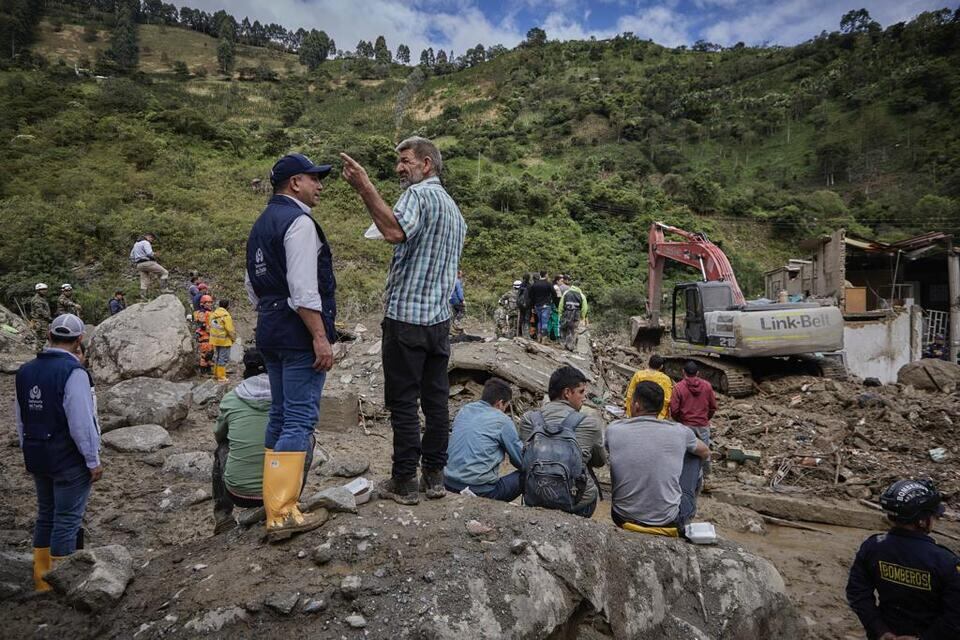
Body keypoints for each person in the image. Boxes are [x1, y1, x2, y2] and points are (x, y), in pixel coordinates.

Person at [340, 137, 466, 505]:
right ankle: (435, 477)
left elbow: (395, 232)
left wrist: (364, 186)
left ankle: (404, 481)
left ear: (426, 164)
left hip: (407, 318)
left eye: (405, 161)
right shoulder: (454, 211)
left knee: (405, 402)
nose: (399, 168)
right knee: (436, 401)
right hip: (439, 322)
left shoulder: (417, 196)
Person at [245, 152, 336, 540]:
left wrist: (274, 313)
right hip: (298, 334)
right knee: (298, 419)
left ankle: (271, 503)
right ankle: (282, 513)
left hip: (269, 329)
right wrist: (319, 336)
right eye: (313, 178)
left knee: (280, 416)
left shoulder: (260, 225)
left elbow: (252, 288)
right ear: (294, 183)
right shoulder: (299, 222)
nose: (319, 185)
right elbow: (303, 290)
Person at [15, 314, 102, 592]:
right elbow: (81, 422)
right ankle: (61, 583)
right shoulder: (74, 373)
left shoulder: (26, 370)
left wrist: (26, 449)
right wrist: (93, 460)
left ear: (49, 335)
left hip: (37, 452)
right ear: (79, 340)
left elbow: (21, 419)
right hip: (67, 458)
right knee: (66, 519)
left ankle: (42, 579)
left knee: (46, 514)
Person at [211, 349, 315, 535]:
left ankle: (223, 515)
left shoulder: (231, 399)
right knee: (305, 438)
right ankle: (291, 500)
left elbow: (218, 435)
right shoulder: (288, 399)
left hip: (238, 494)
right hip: (279, 492)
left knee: (222, 447)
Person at [846, 479, 960, 640]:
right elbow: (955, 616)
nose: (936, 520)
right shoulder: (946, 561)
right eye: (934, 515)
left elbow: (857, 593)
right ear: (922, 521)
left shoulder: (873, 547)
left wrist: (880, 630)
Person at [606, 381, 710, 534]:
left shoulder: (613, 429)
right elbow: (706, 451)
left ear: (636, 405)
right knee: (694, 454)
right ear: (662, 408)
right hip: (669, 521)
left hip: (622, 516)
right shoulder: (681, 431)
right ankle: (686, 513)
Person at [519, 365, 606, 517]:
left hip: (535, 497)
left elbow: (524, 456)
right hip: (576, 504)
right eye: (581, 391)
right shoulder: (589, 423)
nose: (584, 397)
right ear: (567, 393)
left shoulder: (529, 420)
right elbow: (600, 461)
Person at [443, 378, 523, 502]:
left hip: (448, 483)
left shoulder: (464, 410)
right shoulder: (502, 420)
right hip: (481, 491)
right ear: (500, 403)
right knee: (527, 475)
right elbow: (521, 461)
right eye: (506, 407)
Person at [669, 360, 717, 521]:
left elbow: (674, 409)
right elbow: (712, 406)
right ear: (697, 373)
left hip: (685, 426)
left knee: (683, 455)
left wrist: (680, 421)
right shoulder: (707, 386)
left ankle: (681, 480)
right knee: (704, 453)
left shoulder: (678, 387)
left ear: (683, 372)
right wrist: (705, 419)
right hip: (702, 425)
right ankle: (707, 479)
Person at [624, 354, 673, 419]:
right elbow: (667, 399)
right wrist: (662, 417)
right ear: (661, 367)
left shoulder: (639, 375)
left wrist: (629, 412)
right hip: (656, 416)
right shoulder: (665, 379)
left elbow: (630, 394)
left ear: (648, 363)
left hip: (638, 412)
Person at [129, 233, 170, 300]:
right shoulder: (146, 242)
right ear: (148, 237)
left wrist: (136, 261)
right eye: (152, 239)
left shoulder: (136, 244)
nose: (152, 241)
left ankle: (143, 297)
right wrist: (156, 254)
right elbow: (149, 253)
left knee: (144, 281)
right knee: (165, 272)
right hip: (148, 263)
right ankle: (164, 289)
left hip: (139, 265)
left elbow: (131, 256)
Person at [208, 299, 237, 383]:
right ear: (227, 306)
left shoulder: (213, 315)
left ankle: (216, 374)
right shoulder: (226, 316)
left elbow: (210, 325)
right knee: (223, 358)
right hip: (224, 340)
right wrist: (233, 338)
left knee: (217, 356)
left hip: (215, 340)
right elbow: (230, 329)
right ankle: (221, 376)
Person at [558, 278, 588, 351]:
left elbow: (561, 304)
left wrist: (560, 312)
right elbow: (585, 308)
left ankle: (563, 344)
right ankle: (571, 346)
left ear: (572, 285)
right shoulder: (581, 295)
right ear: (579, 287)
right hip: (576, 314)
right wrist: (583, 316)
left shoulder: (566, 293)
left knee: (563, 328)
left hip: (566, 313)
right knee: (573, 330)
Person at [528, 271, 554, 343]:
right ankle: (544, 338)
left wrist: (533, 306)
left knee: (539, 321)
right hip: (546, 305)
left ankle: (539, 337)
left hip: (537, 305)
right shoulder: (549, 284)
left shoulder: (535, 285)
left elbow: (531, 296)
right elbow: (554, 294)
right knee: (545, 322)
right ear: (545, 275)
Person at [193, 295, 214, 375]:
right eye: (207, 302)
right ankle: (203, 370)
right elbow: (202, 324)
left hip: (210, 335)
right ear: (203, 304)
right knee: (205, 353)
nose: (209, 304)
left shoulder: (210, 312)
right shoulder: (202, 313)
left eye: (210, 302)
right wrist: (209, 329)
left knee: (210, 352)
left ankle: (208, 369)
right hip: (204, 335)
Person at [30, 283, 51, 348]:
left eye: (45, 289)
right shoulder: (37, 300)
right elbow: (40, 311)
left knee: (43, 338)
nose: (45, 291)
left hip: (43, 321)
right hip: (40, 322)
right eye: (42, 289)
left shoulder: (41, 298)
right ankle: (39, 352)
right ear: (38, 290)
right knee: (42, 339)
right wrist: (49, 318)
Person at [449, 270, 465, 335]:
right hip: (457, 300)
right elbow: (459, 292)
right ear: (458, 274)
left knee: (454, 314)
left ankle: (453, 326)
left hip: (451, 300)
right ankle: (456, 324)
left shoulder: (451, 281)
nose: (461, 275)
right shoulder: (457, 281)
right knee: (462, 312)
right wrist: (462, 300)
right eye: (461, 274)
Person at [516, 273, 531, 338]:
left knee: (521, 319)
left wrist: (518, 303)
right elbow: (531, 296)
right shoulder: (529, 285)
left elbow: (518, 295)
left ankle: (520, 333)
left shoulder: (521, 286)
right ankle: (526, 334)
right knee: (527, 319)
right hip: (527, 305)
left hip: (521, 305)